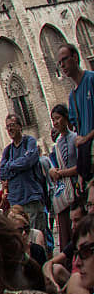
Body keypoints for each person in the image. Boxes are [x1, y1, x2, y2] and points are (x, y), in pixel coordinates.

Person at [0, 113, 51, 245]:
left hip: (31, 196)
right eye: (7, 127)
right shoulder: (7, 150)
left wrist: (11, 166)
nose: (10, 129)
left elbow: (29, 161)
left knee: (37, 235)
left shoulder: (30, 142)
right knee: (21, 239)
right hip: (16, 201)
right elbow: (2, 172)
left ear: (20, 126)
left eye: (12, 125)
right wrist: (17, 166)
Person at [59, 42, 94, 186]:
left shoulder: (91, 79)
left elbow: (83, 137)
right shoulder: (72, 96)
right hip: (88, 157)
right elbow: (77, 131)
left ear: (75, 57)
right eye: (59, 62)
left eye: (65, 60)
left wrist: (86, 138)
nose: (62, 65)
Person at [49, 103, 80, 257]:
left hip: (78, 187)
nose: (55, 123)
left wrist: (61, 173)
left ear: (65, 118)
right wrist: (53, 171)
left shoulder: (75, 138)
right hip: (66, 190)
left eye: (57, 118)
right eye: (53, 120)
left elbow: (80, 166)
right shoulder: (57, 144)